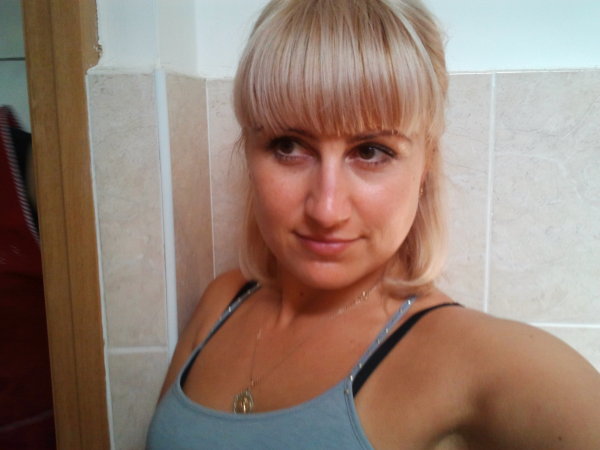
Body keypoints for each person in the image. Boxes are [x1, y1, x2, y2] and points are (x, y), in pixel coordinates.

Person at [147, 0, 600, 448]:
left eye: (370, 152)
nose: (326, 210)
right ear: (248, 152)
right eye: (288, 146)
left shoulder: (471, 359)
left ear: (425, 166)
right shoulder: (221, 303)